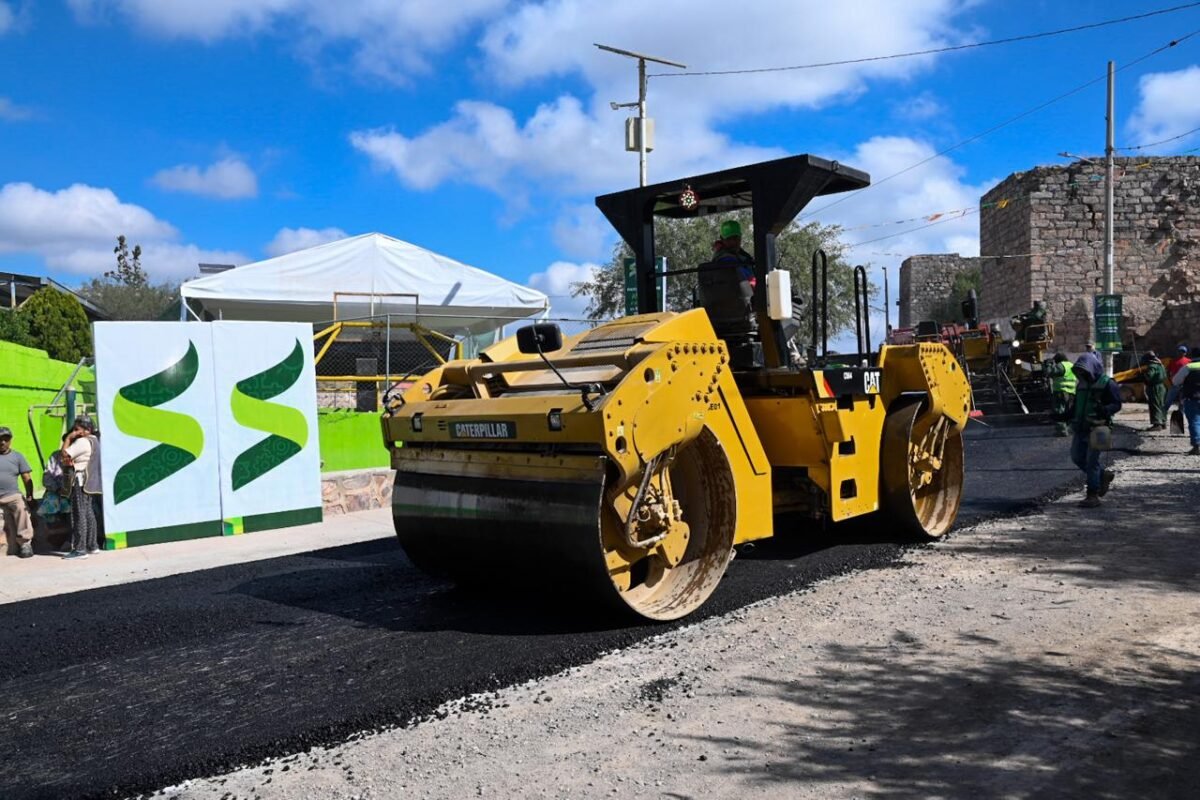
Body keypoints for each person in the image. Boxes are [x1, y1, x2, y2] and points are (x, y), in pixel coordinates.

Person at [1069, 351, 1122, 508]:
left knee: (1091, 461)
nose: (1081, 374)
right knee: (1077, 457)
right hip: (1081, 427)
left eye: (1084, 370)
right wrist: (1062, 415)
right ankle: (1102, 476)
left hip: (1100, 428)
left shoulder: (1108, 384)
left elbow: (1117, 404)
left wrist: (1105, 410)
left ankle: (1092, 495)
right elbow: (1076, 406)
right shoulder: (1082, 385)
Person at [61, 417, 100, 559]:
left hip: (80, 480)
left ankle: (80, 549)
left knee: (79, 514)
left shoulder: (83, 441)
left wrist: (68, 439)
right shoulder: (94, 440)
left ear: (87, 430)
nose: (74, 432)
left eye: (77, 429)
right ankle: (92, 545)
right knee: (88, 512)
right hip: (90, 482)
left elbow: (64, 454)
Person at [0, 426, 35, 558]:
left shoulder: (17, 456)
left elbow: (26, 478)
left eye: (6, 439)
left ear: (10, 441)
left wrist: (30, 495)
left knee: (21, 508)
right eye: (0, 439)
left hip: (12, 495)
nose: (2, 442)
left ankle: (25, 544)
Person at [1164, 355, 1200, 455]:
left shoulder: (1188, 367)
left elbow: (1175, 381)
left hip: (1192, 398)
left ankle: (1196, 446)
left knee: (1195, 422)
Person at [712, 220, 755, 284]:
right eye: (728, 239)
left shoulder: (741, 255)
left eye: (735, 238)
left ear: (740, 237)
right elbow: (745, 278)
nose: (733, 242)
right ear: (722, 239)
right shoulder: (725, 259)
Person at [1043, 352, 1076, 437]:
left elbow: (1049, 373)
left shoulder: (1061, 366)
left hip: (1061, 391)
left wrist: (1048, 364)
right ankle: (1069, 429)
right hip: (1071, 391)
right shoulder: (1071, 365)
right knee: (1069, 411)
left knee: (1059, 410)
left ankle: (1061, 430)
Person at [1140, 351, 1168, 431]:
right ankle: (1163, 422)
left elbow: (1149, 377)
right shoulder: (1161, 365)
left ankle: (1157, 424)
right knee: (1161, 404)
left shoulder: (1152, 366)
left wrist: (1143, 376)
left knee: (1155, 404)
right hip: (1162, 387)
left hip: (1155, 388)